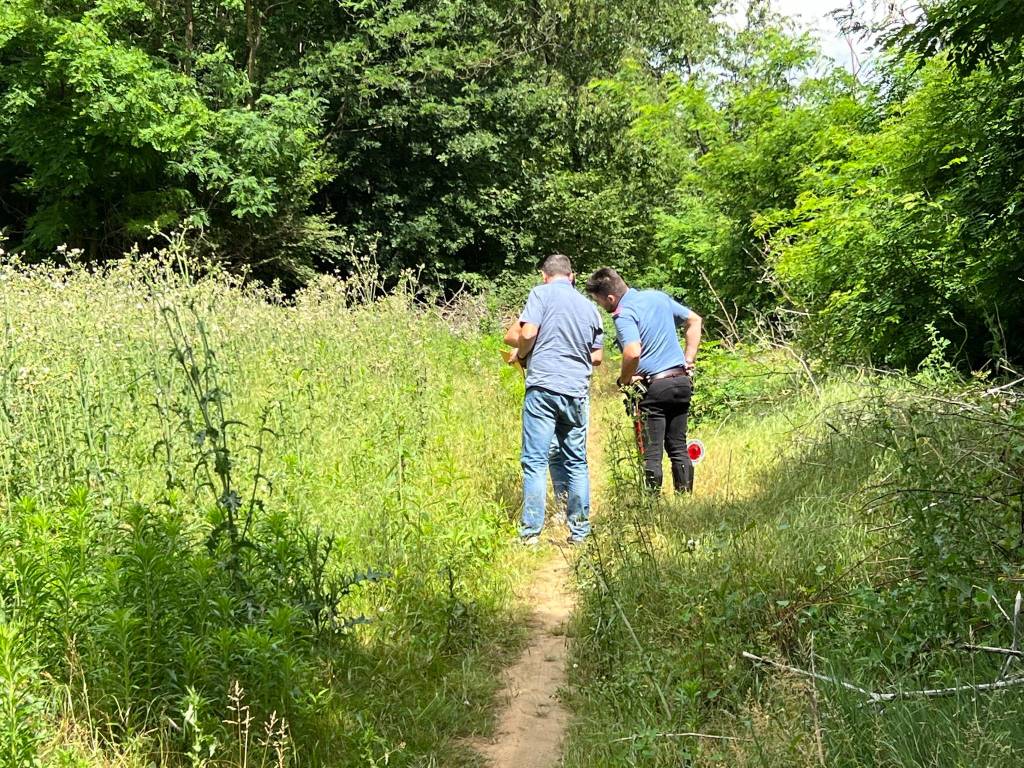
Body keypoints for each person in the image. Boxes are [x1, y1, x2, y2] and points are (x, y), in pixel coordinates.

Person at [513, 254, 604, 545]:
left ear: (544, 276)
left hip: (542, 387)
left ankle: (530, 534)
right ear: (572, 276)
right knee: (577, 461)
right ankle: (579, 532)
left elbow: (528, 332)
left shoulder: (540, 293)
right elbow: (598, 356)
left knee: (535, 461)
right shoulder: (591, 309)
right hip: (576, 391)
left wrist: (524, 354)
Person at [586, 267, 702, 494]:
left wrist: (625, 380)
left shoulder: (624, 313)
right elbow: (695, 320)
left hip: (655, 388)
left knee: (652, 453)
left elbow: (632, 351)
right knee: (678, 446)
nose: (601, 306)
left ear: (610, 297)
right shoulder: (658, 298)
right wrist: (688, 359)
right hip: (681, 381)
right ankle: (685, 499)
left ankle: (651, 504)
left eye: (599, 301)